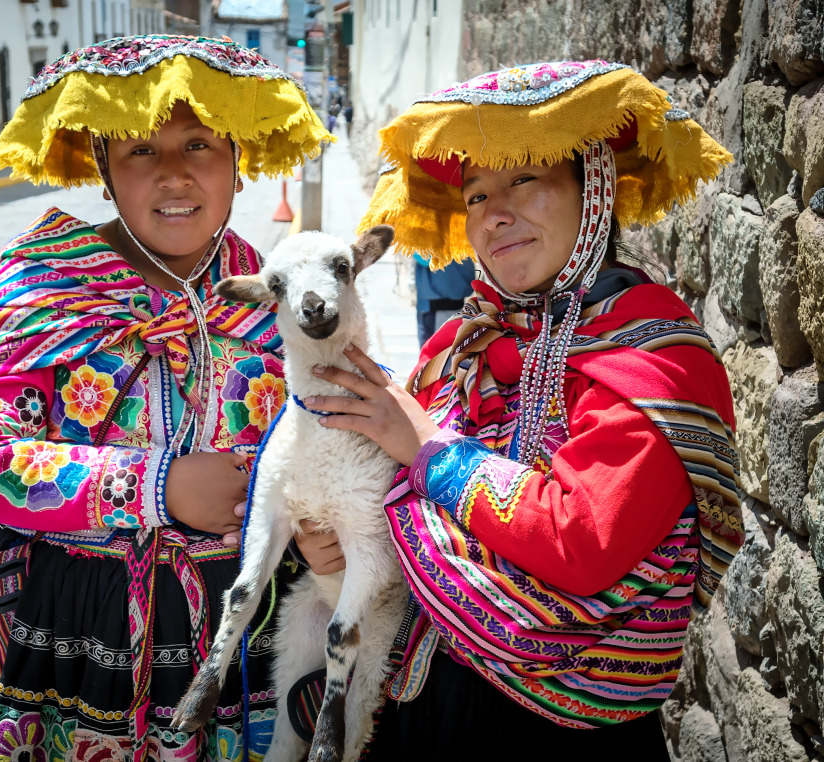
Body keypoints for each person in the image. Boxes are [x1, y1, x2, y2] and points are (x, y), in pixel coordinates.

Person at [295, 60, 745, 758]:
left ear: (590, 184)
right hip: (418, 708)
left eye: (524, 178)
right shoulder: (460, 346)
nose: (494, 213)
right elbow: (380, 497)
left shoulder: (657, 360)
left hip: (565, 735)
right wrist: (337, 545)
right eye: (475, 195)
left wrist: (429, 453)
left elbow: (583, 541)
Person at [0, 35, 331, 762]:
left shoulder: (279, 291)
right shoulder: (35, 285)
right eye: (142, 151)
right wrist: (156, 488)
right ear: (102, 166)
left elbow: (326, 434)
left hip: (246, 630)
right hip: (75, 629)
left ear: (240, 161)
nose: (175, 176)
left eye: (199, 145)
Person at [412, 252, 476, 346]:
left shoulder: (431, 239)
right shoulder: (462, 239)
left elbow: (422, 256)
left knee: (434, 353)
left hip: (436, 304)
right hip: (455, 301)